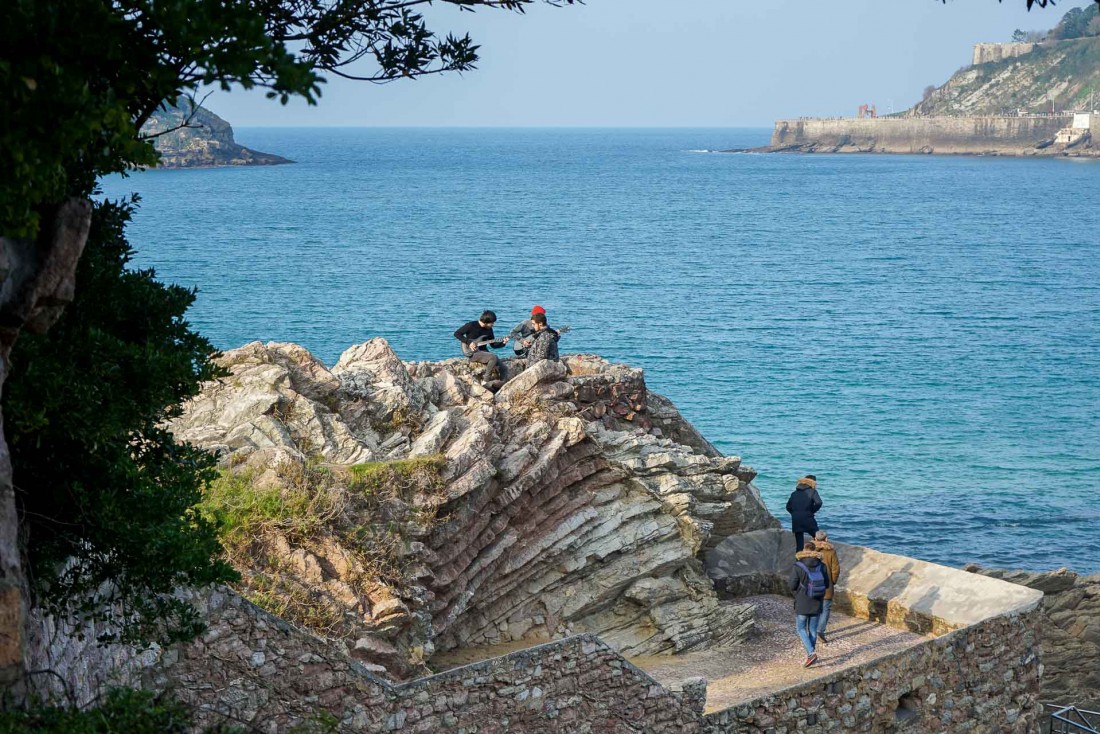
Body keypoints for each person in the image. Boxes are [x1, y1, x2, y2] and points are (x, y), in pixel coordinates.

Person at [789, 539, 832, 668]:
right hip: (817, 601)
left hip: (802, 601)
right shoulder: (822, 565)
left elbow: (792, 584)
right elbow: (827, 584)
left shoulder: (798, 566)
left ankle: (811, 653)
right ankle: (811, 653)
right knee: (812, 630)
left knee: (800, 628)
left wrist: (797, 595)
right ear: (814, 551)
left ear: (804, 551)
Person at [454, 310, 510, 382]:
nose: (493, 324)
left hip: (484, 352)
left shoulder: (489, 329)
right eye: (492, 323)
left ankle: (502, 384)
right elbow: (457, 334)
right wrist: (469, 342)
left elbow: (493, 345)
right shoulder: (471, 325)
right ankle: (486, 380)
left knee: (504, 368)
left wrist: (503, 343)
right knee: (493, 357)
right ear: (486, 321)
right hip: (472, 353)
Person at [814, 529, 841, 644]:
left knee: (814, 608)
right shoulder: (831, 552)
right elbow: (835, 569)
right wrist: (833, 581)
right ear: (826, 539)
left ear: (815, 539)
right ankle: (820, 631)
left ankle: (812, 630)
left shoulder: (810, 550)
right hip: (827, 585)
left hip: (813, 585)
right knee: (825, 609)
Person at [785, 475, 822, 552]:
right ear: (813, 482)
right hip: (807, 518)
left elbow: (788, 507)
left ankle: (799, 562)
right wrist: (812, 511)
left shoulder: (794, 493)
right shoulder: (812, 491)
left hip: (796, 519)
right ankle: (820, 558)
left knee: (799, 544)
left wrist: (795, 513)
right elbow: (819, 503)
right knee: (819, 538)